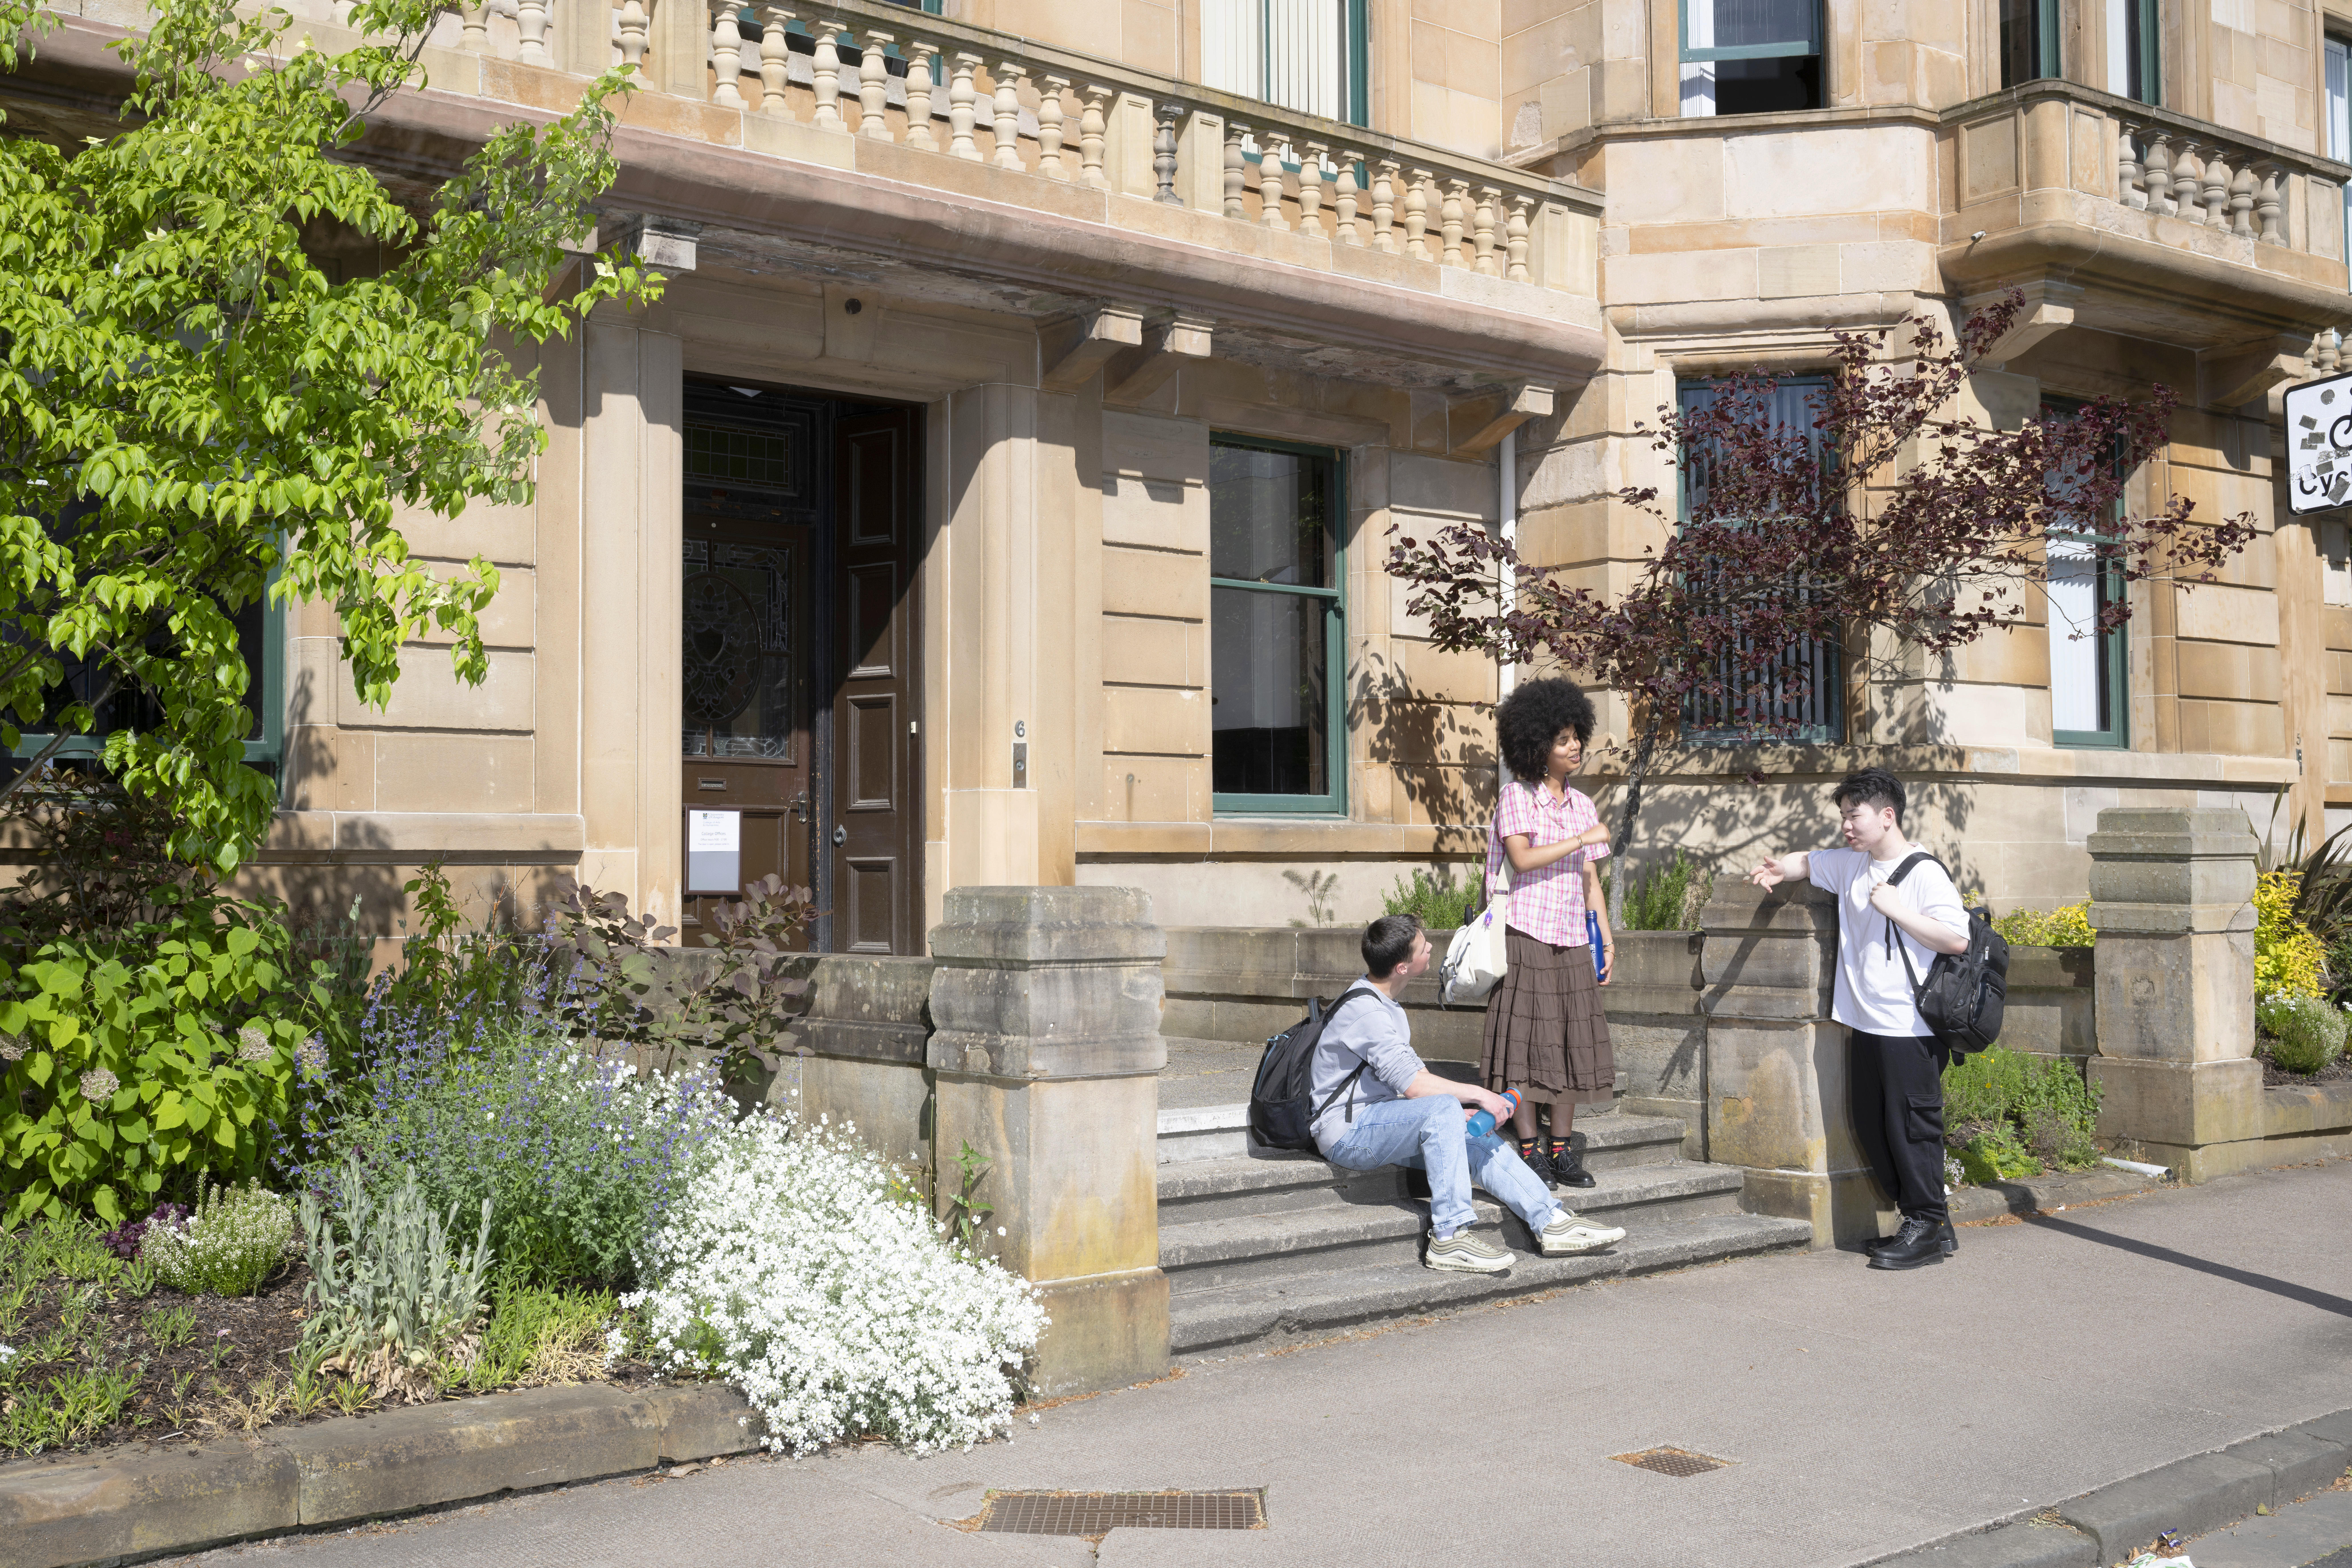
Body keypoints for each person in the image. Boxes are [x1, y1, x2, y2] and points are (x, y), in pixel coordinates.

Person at [1312, 913, 1626, 1273]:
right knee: (1445, 1108)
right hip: (1347, 1133)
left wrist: (1454, 1115)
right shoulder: (1365, 1010)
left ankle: (1550, 1219)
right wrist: (1481, 1097)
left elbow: (1418, 1076)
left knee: (1469, 1136)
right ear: (1402, 967)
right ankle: (1449, 1236)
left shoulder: (1383, 1002)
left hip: (1380, 1118)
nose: (1430, 946)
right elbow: (1414, 1086)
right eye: (1422, 945)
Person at [1748, 767, 1972, 1271]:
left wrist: (1898, 910)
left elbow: (1956, 939)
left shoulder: (1923, 871)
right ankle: (1929, 1218)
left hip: (1911, 1028)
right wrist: (1780, 869)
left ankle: (1926, 1225)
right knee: (1872, 1126)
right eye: (1844, 815)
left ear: (1887, 816)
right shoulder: (1851, 864)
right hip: (1865, 1023)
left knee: (1912, 1129)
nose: (1847, 825)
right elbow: (1808, 861)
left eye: (1855, 815)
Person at [1479, 677, 1618, 1191]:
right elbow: (1522, 858)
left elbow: (1590, 879)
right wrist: (1579, 839)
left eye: (1576, 736)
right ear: (1538, 746)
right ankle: (1530, 1147)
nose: (1574, 746)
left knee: (1569, 1044)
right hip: (1526, 932)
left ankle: (1561, 1150)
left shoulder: (1583, 805)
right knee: (1527, 1046)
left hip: (1571, 937)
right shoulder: (1517, 798)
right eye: (1562, 740)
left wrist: (1603, 934)